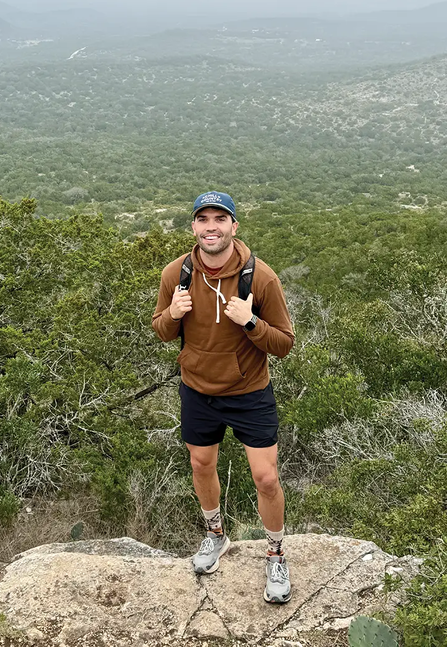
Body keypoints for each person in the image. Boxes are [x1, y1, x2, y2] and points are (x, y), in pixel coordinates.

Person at [152, 191, 295, 603]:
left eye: (220, 218)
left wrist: (250, 322)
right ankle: (216, 535)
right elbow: (161, 330)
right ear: (193, 226)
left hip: (249, 392)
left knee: (266, 477)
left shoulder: (260, 278)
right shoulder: (176, 273)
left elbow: (284, 343)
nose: (210, 226)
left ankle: (275, 554)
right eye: (203, 219)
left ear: (234, 226)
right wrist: (173, 314)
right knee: (201, 464)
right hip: (198, 389)